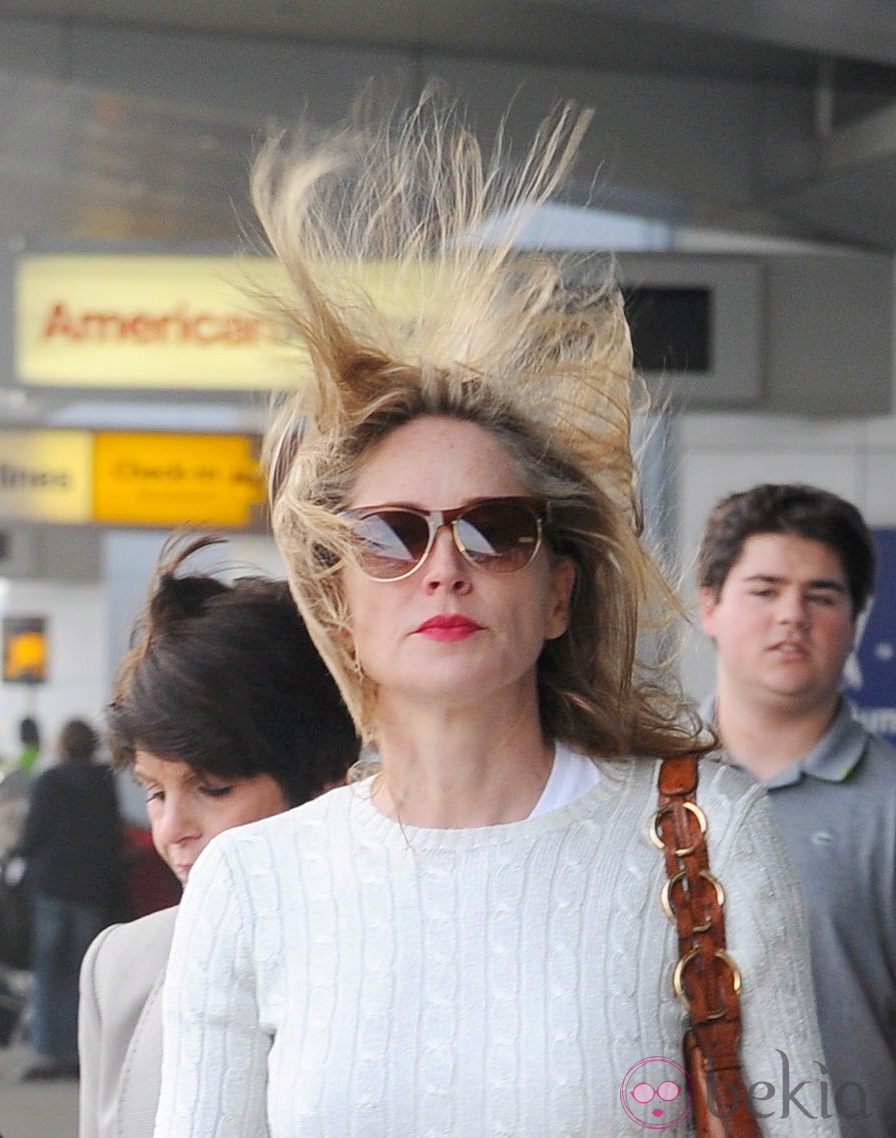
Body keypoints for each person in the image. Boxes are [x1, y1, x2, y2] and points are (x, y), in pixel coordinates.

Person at [153, 96, 837, 1138]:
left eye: (495, 527)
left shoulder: (707, 836)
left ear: (558, 588)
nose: (442, 566)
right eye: (391, 533)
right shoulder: (250, 883)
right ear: (337, 602)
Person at [78, 533, 358, 1138]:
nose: (172, 829)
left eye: (212, 787)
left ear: (326, 785)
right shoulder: (121, 966)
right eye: (155, 792)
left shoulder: (397, 955)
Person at [697, 482, 895, 1138]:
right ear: (710, 607)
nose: (792, 615)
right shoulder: (634, 792)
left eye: (821, 595)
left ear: (856, 622)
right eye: (765, 589)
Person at [17, 717, 122, 1080]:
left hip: (51, 887)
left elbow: (33, 835)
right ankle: (81, 1050)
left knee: (48, 971)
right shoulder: (104, 782)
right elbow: (113, 834)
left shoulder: (49, 780)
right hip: (91, 888)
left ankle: (48, 1048)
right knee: (85, 971)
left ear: (61, 744)